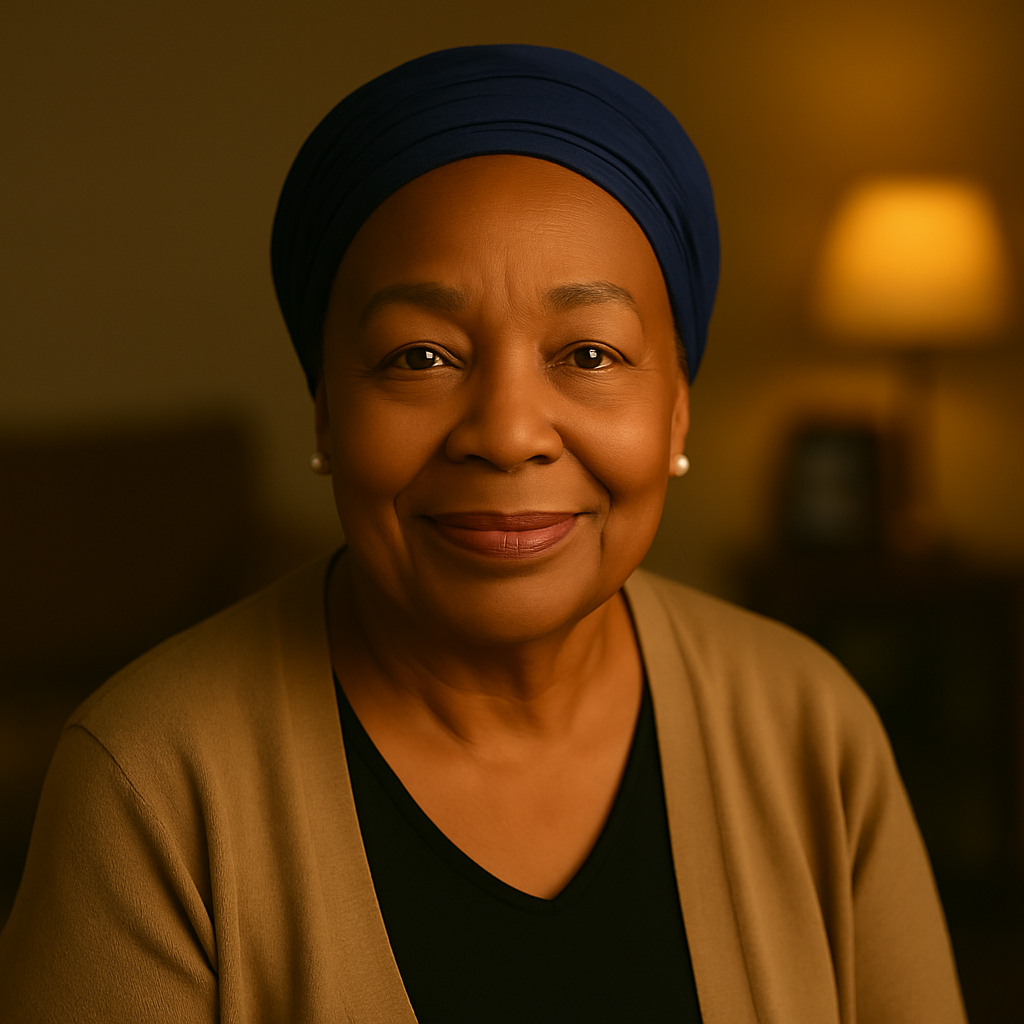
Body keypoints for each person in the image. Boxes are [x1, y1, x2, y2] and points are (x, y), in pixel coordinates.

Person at [0, 45, 966, 1023]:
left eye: (588, 352)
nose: (506, 433)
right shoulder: (154, 783)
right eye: (420, 355)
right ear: (327, 412)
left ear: (675, 412)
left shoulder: (808, 727)